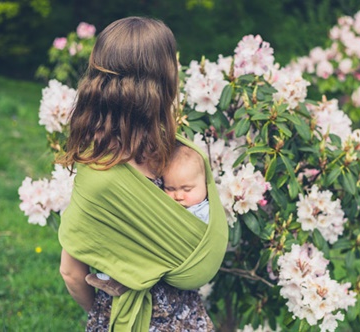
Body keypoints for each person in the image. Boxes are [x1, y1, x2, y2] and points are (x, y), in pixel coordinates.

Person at [57, 17, 228, 332]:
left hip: (124, 315)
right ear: (165, 83)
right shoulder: (178, 154)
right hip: (187, 320)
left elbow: (71, 272)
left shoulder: (98, 175)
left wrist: (99, 312)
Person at [85, 143, 210, 297]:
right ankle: (116, 277)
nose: (178, 196)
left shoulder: (205, 210)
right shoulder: (169, 205)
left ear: (205, 185)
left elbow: (206, 238)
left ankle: (120, 280)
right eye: (170, 189)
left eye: (187, 189)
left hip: (182, 255)